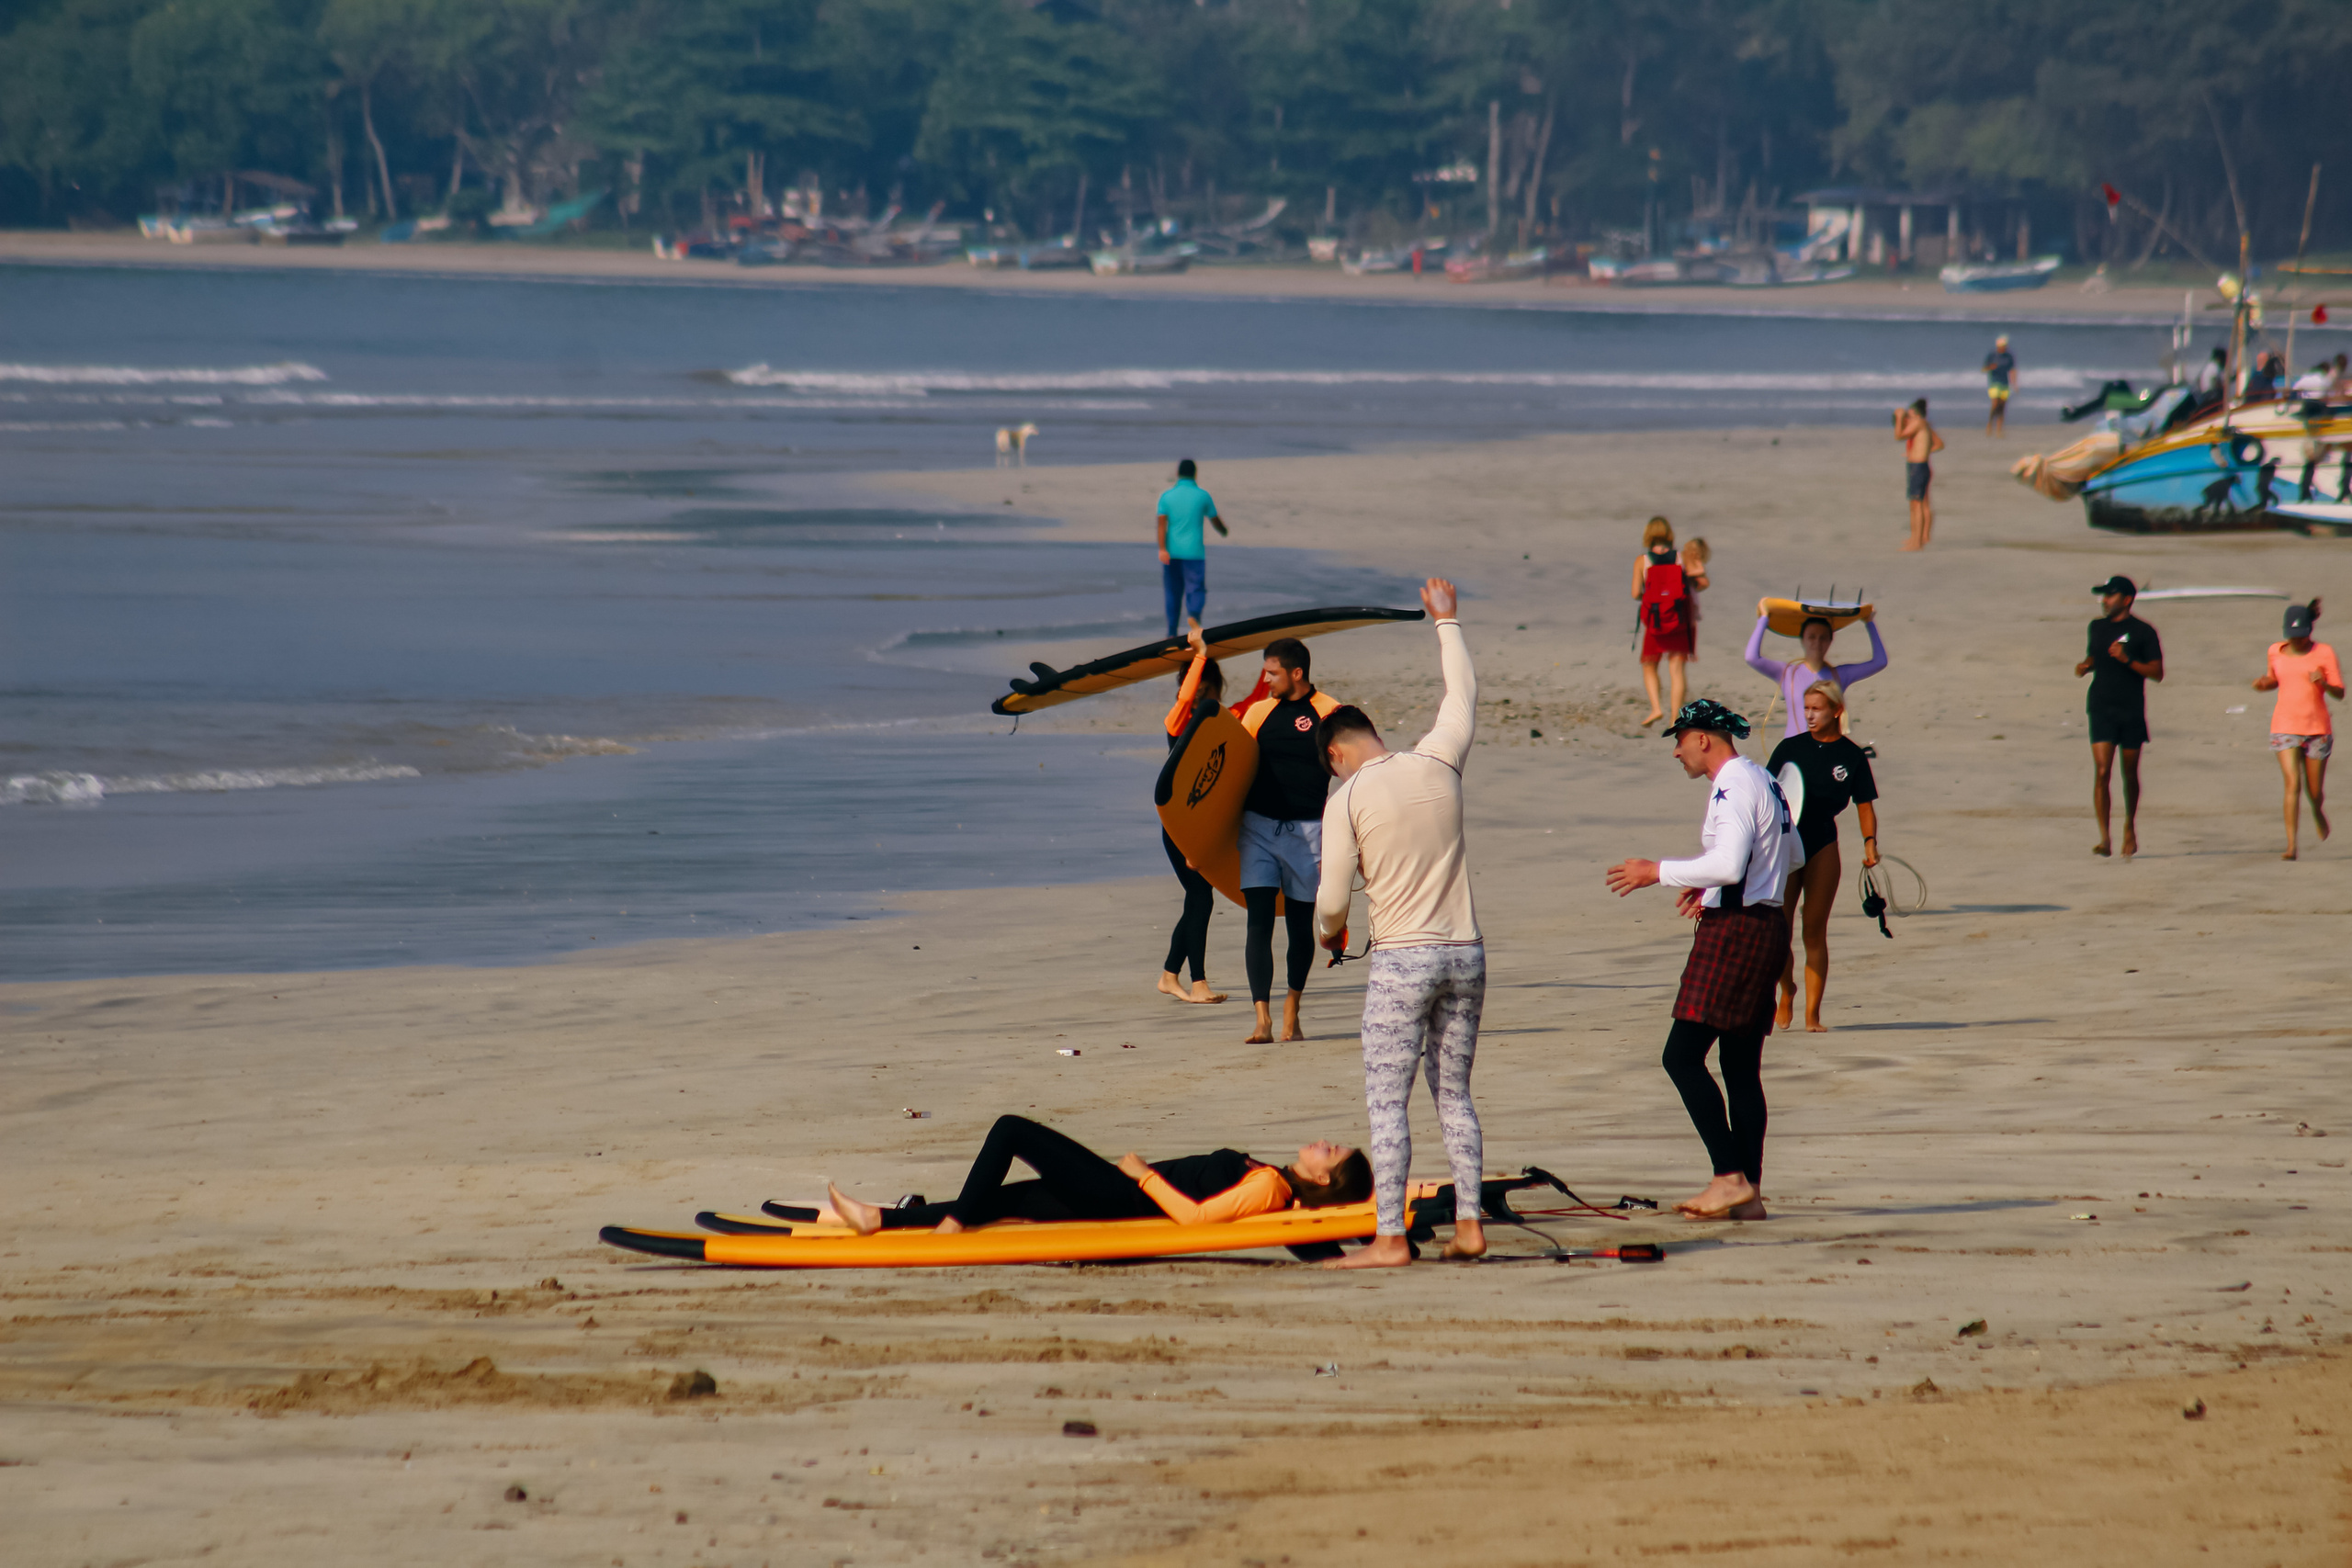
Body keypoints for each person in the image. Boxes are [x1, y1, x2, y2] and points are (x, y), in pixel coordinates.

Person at [1313, 577, 1487, 1269]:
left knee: (1388, 1100)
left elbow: (1330, 906)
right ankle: (1470, 1224)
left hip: (1403, 962)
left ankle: (1390, 1236)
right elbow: (1462, 699)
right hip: (1466, 952)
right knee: (1455, 1095)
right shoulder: (1439, 761)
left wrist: (1332, 937)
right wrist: (1446, 620)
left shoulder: (1347, 798)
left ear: (1336, 753)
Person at [1603, 698, 1795, 1221]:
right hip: (1766, 927)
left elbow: (1731, 864)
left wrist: (1657, 871)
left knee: (1681, 1057)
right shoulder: (1765, 779)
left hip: (1737, 933)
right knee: (1739, 1068)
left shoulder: (1732, 786)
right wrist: (1706, 892)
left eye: (1679, 740)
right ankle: (1748, 1192)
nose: (1676, 752)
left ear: (1704, 738)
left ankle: (1729, 1177)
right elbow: (1790, 855)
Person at [822, 1114, 1373, 1235]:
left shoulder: (1270, 1187)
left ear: (1324, 1179)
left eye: (1334, 1152)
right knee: (1002, 1200)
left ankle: (947, 1228)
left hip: (1123, 1198)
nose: (1325, 1142)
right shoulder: (1275, 1183)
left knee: (1011, 1130)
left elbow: (1199, 1219)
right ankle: (879, 1218)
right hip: (1119, 1197)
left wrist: (1141, 1174)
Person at [1238, 637, 1340, 1043]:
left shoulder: (1330, 713)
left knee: (1300, 927)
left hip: (1310, 834)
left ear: (1296, 673)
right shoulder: (1258, 714)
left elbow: (1354, 774)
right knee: (1258, 921)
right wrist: (1203, 842)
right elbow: (1230, 773)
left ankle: (1291, 1008)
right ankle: (1261, 1017)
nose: (1265, 680)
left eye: (1272, 672)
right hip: (1258, 829)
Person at [1766, 680, 1879, 1032]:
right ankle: (1787, 991)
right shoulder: (1790, 748)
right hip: (1787, 844)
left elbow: (1864, 804)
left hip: (1823, 844)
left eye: (1817, 708)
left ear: (1836, 711)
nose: (1810, 714)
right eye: (1807, 708)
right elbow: (1765, 796)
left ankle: (1812, 1015)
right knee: (1778, 931)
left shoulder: (1851, 755)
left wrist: (1870, 842)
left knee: (1814, 931)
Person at [1157, 627, 1251, 1004]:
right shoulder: (1177, 722)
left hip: (1207, 824)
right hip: (1180, 826)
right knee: (1200, 897)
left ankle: (1169, 976)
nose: (1203, 696)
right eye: (1199, 689)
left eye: (1208, 689)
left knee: (1199, 898)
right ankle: (1195, 983)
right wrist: (1199, 655)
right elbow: (1185, 696)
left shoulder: (1223, 722)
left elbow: (1260, 698)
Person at [2075, 574, 2165, 858]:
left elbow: (2157, 673)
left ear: (2127, 600)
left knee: (2129, 774)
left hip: (2131, 709)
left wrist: (2128, 660)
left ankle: (2129, 826)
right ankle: (2104, 838)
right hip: (2100, 705)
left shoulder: (2144, 632)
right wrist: (2086, 665)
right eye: (2103, 596)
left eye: (2110, 596)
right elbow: (2095, 656)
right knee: (2102, 772)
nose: (2105, 601)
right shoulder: (2096, 627)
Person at [2251, 600, 2341, 860]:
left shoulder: (2324, 653)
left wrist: (2323, 682)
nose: (2296, 641)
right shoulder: (2275, 651)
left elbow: (2340, 692)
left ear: (2309, 631)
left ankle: (2317, 810)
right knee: (2293, 784)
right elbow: (2274, 680)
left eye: (2301, 636)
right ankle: (2291, 845)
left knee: (2314, 792)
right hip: (2284, 726)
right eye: (2292, 636)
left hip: (2317, 728)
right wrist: (2262, 683)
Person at [1744, 603, 1887, 738]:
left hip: (1826, 751)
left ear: (1830, 641)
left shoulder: (1840, 676)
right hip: (1794, 750)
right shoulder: (1787, 673)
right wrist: (1764, 618)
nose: (1817, 642)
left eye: (1823, 638)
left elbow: (1880, 662)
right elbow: (1752, 657)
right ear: (1803, 640)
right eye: (1811, 637)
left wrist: (1869, 622)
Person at [1631, 516, 1709, 726]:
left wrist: (1650, 597)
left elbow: (1635, 592)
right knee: (1676, 670)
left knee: (1649, 665)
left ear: (1648, 535)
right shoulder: (1681, 558)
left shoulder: (1642, 561)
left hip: (1656, 620)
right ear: (1669, 534)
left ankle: (1656, 708)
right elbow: (1702, 583)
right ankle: (1675, 717)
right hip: (1678, 618)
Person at [1156, 458, 1228, 638]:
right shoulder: (1202, 496)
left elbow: (1161, 526)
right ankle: (1194, 619)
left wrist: (1162, 549)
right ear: (1195, 474)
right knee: (1195, 589)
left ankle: (1171, 632)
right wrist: (1223, 531)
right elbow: (1214, 519)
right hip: (1194, 553)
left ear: (1177, 474)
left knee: (1173, 591)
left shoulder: (1167, 496)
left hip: (1171, 553)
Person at [1894, 398, 1945, 550]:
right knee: (1919, 504)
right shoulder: (1923, 424)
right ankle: (1918, 538)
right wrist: (1920, 451)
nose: (1907, 415)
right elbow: (1938, 444)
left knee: (1917, 505)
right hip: (1918, 465)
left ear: (1915, 412)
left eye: (1909, 413)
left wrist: (1898, 418)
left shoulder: (1919, 422)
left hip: (1918, 466)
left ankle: (1917, 542)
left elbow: (1898, 436)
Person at [1983, 335, 2017, 436]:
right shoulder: (1992, 355)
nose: (2003, 347)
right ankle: (1989, 424)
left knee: (2002, 406)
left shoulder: (2009, 356)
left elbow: (2012, 370)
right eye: (2002, 346)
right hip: (1994, 382)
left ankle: (1999, 429)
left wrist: (2014, 383)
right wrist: (1990, 367)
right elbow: (1984, 369)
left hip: (2005, 383)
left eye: (2005, 346)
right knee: (1995, 404)